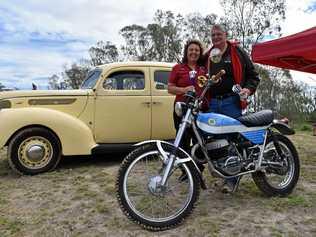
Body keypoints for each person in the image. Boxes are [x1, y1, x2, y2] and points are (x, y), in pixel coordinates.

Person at [204, 24, 260, 192]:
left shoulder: (237, 52)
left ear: (225, 35)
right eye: (213, 35)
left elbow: (253, 76)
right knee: (216, 141)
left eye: (218, 34)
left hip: (231, 102)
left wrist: (247, 89)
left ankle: (233, 180)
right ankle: (224, 175)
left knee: (232, 140)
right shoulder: (209, 55)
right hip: (213, 102)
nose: (215, 37)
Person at [168, 39, 206, 156]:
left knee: (199, 140)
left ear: (200, 53)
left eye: (197, 50)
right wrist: (184, 90)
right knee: (182, 141)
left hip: (198, 110)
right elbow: (170, 88)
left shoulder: (204, 69)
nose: (194, 52)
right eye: (191, 50)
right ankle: (186, 172)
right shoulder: (178, 68)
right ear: (186, 52)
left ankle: (197, 171)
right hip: (182, 108)